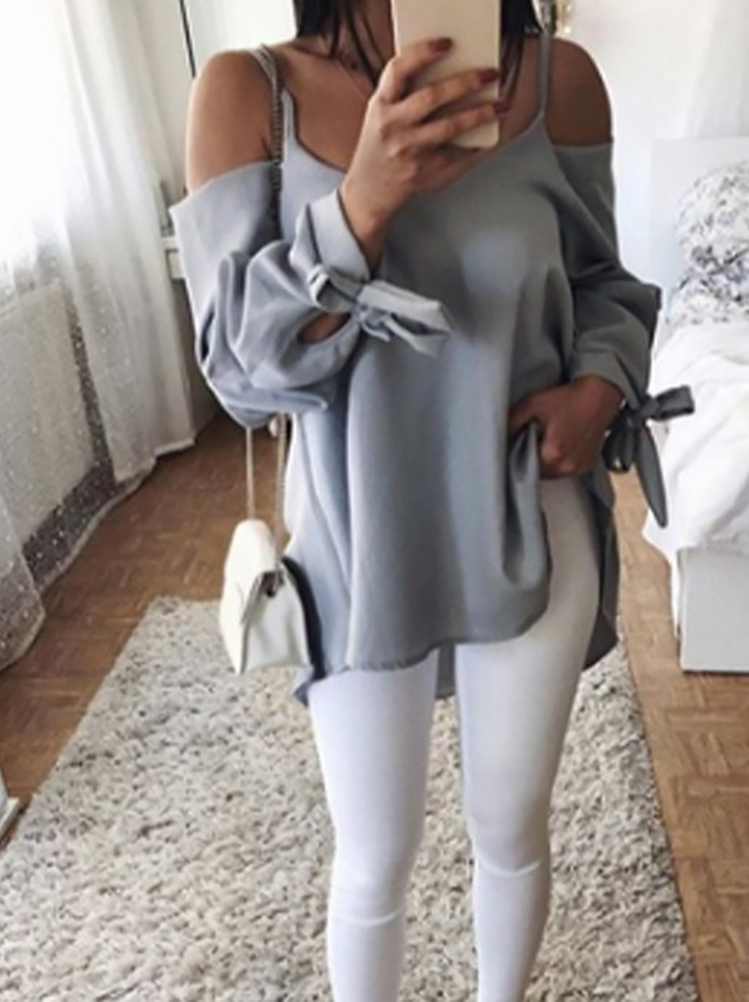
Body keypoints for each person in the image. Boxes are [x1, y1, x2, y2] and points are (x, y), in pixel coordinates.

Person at [170, 2, 681, 998]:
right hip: (356, 534)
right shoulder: (249, 95)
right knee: (374, 854)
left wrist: (599, 385)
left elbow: (604, 288)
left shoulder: (558, 82)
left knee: (512, 826)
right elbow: (239, 376)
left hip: (532, 515)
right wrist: (361, 202)